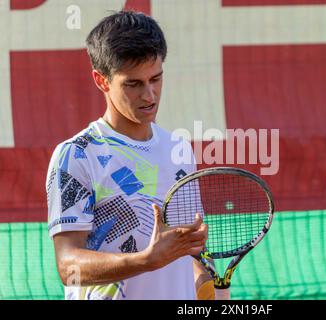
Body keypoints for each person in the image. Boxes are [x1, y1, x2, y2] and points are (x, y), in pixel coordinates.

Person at [46, 10, 215, 300]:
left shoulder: (179, 150)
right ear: (101, 80)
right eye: (133, 84)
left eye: (156, 79)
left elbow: (192, 250)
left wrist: (207, 283)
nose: (150, 95)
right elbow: (68, 265)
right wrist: (145, 261)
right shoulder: (76, 155)